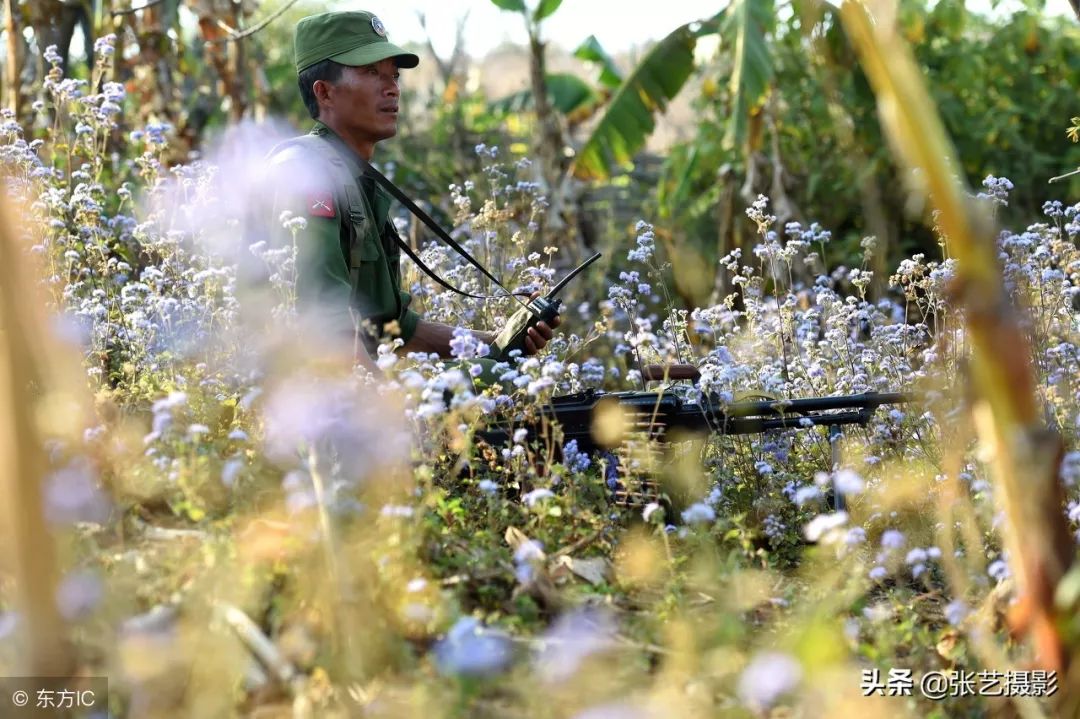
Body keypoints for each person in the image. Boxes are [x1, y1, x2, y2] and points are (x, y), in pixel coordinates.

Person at [266, 10, 560, 370]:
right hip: (311, 405)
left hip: (353, 395)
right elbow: (324, 332)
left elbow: (396, 330)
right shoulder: (305, 173)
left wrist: (503, 346)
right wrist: (391, 418)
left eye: (394, 75)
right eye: (371, 73)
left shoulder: (355, 180)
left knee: (504, 376)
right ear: (324, 92)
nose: (391, 87)